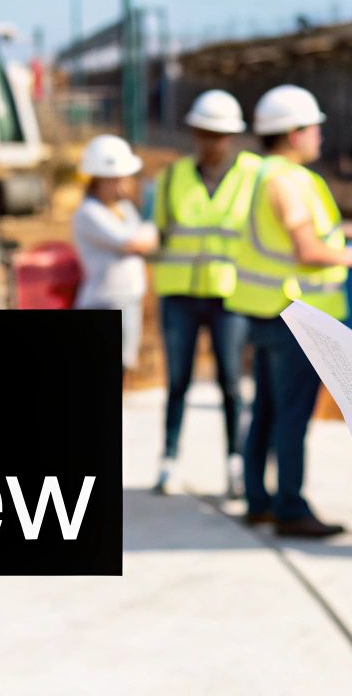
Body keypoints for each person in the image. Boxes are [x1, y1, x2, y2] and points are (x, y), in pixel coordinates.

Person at [229, 84, 352, 539]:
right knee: (290, 415)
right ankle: (290, 507)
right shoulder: (285, 180)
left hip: (269, 311)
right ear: (293, 133)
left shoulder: (260, 174)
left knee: (268, 411)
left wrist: (347, 232)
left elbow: (304, 234)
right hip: (293, 316)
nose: (320, 135)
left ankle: (260, 500)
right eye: (314, 127)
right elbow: (308, 249)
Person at [146, 90, 263, 498]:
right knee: (177, 382)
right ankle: (169, 461)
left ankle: (235, 464)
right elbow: (156, 231)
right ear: (195, 133)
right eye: (204, 133)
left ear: (231, 135)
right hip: (179, 293)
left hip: (230, 296)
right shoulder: (172, 178)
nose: (211, 142)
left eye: (219, 134)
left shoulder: (254, 176)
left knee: (232, 383)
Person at [71, 134, 159, 374]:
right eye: (118, 178)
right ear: (101, 179)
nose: (125, 183)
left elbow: (146, 240)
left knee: (124, 370)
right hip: (101, 303)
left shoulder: (125, 208)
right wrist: (154, 222)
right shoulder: (88, 213)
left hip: (128, 301)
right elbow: (134, 242)